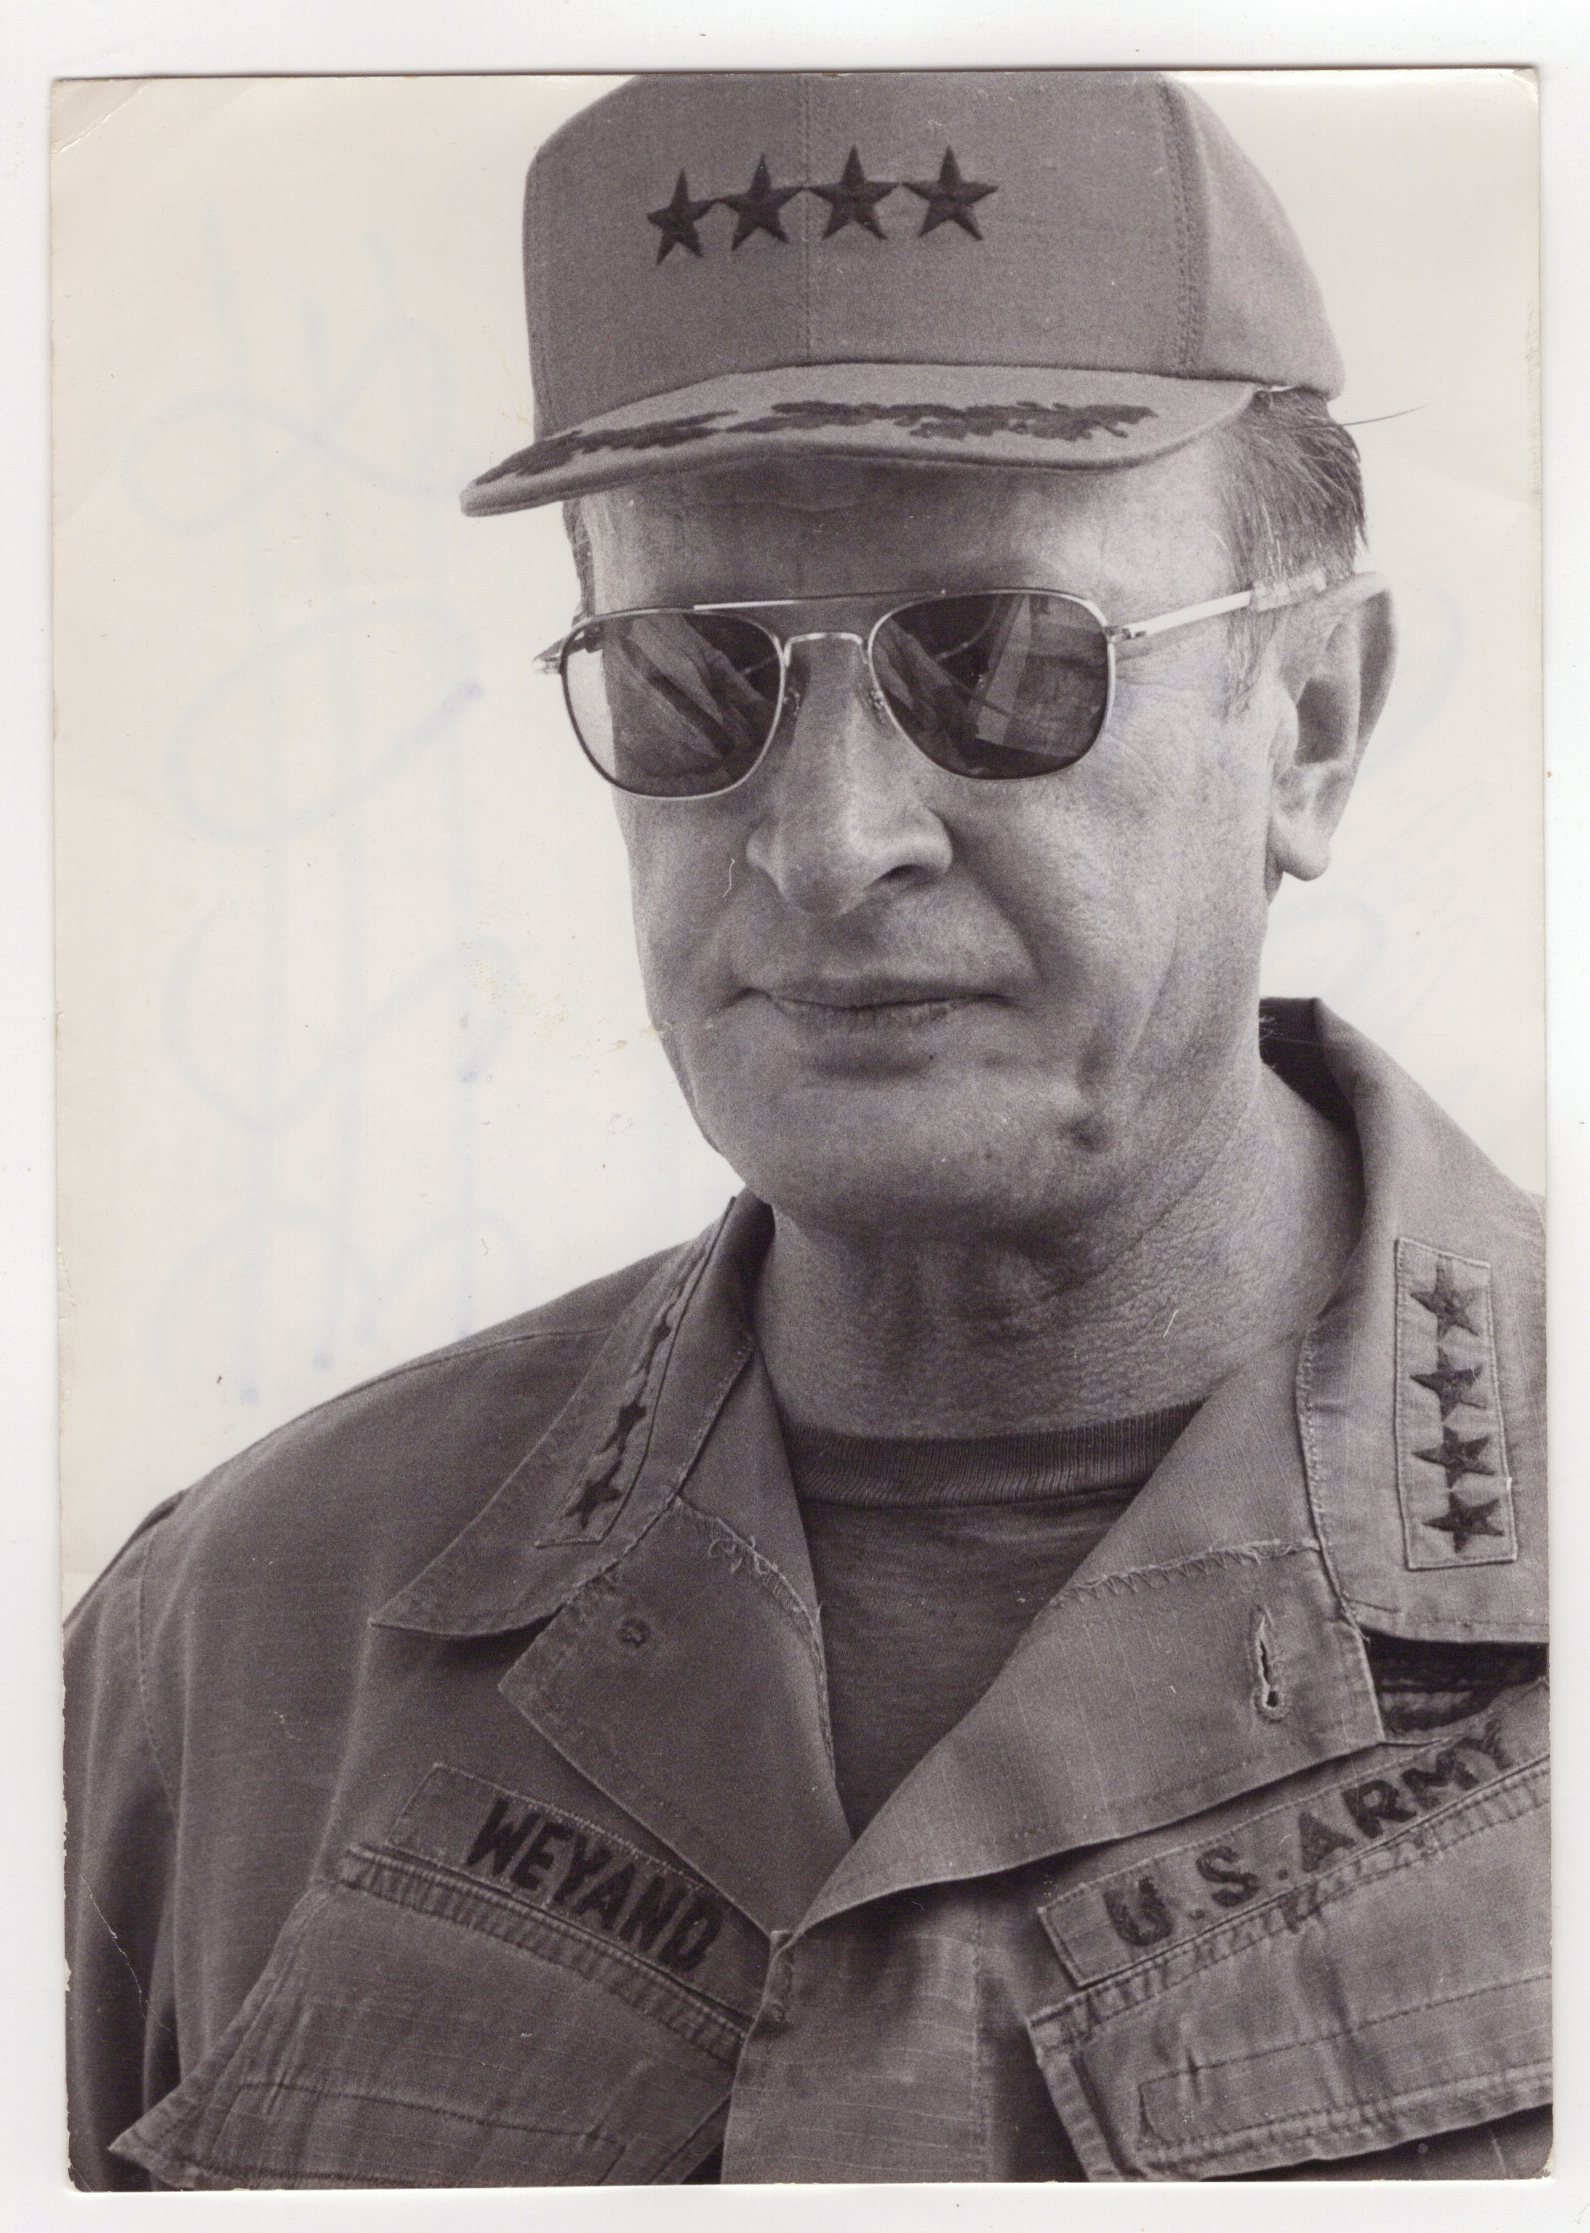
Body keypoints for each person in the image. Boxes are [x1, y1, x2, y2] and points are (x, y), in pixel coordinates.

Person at [65, 69, 1549, 2187]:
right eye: (693, 677)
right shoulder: (245, 1632)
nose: (829, 842)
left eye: (1004, 665)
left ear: (1308, 721)